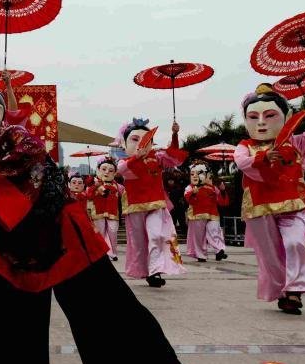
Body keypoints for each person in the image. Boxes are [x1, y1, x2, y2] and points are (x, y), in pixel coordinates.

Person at [0, 78, 208, 364]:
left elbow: (31, 154)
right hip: (17, 252)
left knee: (106, 304)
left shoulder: (15, 137)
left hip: (63, 237)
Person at [233, 85, 305, 315]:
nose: (262, 122)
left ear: (286, 117)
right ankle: (284, 291)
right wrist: (265, 157)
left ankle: (294, 290)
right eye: (253, 117)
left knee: (295, 243)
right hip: (259, 207)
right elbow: (243, 164)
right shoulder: (245, 147)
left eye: (270, 115)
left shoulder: (295, 142)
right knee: (271, 255)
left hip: (291, 203)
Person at [117, 118, 187, 287]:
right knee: (140, 243)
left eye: (146, 140)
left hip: (156, 204)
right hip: (135, 207)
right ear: (124, 144)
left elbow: (175, 158)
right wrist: (137, 158)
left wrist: (175, 135)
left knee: (156, 235)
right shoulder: (125, 163)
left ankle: (155, 271)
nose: (141, 144)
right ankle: (147, 272)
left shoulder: (158, 157)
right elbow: (124, 171)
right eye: (135, 139)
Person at [184, 162, 228, 262]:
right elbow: (188, 199)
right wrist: (193, 193)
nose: (196, 175)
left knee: (214, 231)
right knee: (198, 236)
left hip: (212, 214)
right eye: (193, 173)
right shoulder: (190, 187)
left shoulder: (213, 188)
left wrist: (222, 191)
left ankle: (219, 250)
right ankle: (201, 255)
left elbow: (222, 202)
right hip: (197, 214)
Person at [85, 158, 123, 261]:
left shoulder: (117, 186)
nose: (107, 172)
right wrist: (94, 186)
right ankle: (103, 253)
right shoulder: (93, 183)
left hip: (112, 212)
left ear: (115, 173)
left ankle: (112, 252)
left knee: (113, 232)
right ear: (98, 169)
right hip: (98, 212)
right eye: (104, 169)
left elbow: (125, 195)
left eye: (110, 170)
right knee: (100, 233)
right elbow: (88, 195)